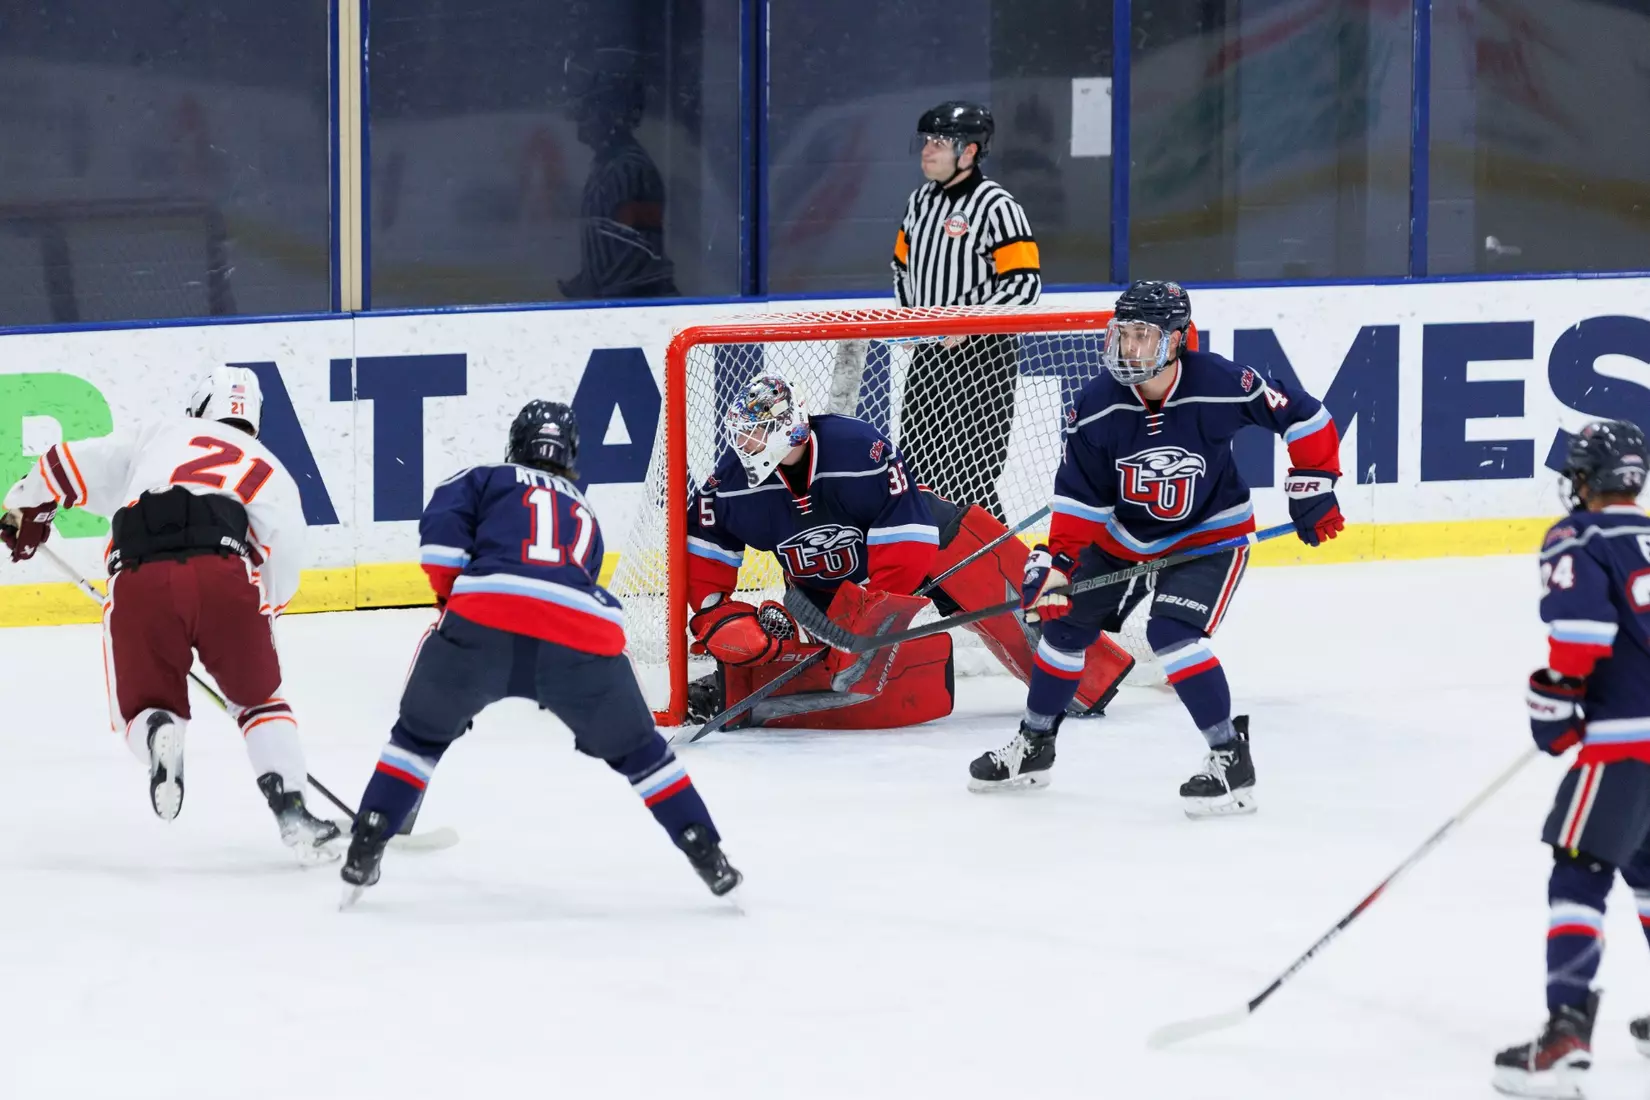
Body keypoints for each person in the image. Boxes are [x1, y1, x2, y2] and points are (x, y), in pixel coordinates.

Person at [967, 280, 1345, 814]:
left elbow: (1303, 414)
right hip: (1124, 536)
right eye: (1123, 335)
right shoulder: (1096, 406)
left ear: (1176, 339)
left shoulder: (1223, 382)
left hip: (1209, 535)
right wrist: (1057, 565)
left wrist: (1314, 481)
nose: (1129, 348)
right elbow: (1080, 499)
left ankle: (1229, 760)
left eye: (1143, 336)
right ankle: (1035, 745)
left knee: (1174, 634)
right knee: (1063, 626)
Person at [339, 400, 738, 906]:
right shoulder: (583, 508)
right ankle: (708, 853)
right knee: (643, 754)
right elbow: (575, 578)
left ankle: (367, 842)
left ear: (514, 446)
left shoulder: (482, 477)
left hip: (484, 619)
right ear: (571, 455)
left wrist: (457, 616)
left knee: (417, 738)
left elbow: (440, 555)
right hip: (579, 629)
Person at [0, 366, 340, 862]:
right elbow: (281, 569)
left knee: (140, 708)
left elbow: (63, 464)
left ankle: (161, 729)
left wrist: (22, 510)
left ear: (201, 404)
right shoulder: (271, 471)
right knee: (260, 701)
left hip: (139, 575)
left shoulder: (163, 433)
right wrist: (250, 623)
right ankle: (293, 810)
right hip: (224, 571)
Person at [683, 374, 1133, 731]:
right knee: (849, 685)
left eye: (755, 436)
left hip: (931, 545)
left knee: (1015, 604)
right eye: (741, 438)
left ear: (788, 428)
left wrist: (877, 608)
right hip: (825, 592)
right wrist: (718, 616)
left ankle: (1086, 673)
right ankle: (736, 694)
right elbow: (705, 551)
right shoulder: (731, 485)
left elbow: (907, 531)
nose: (744, 448)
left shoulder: (857, 448)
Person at [1492, 420, 1650, 1099]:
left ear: (1588, 479)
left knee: (1580, 871)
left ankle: (1564, 1036)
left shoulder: (1578, 536)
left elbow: (1582, 634)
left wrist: (1554, 705)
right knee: (1645, 871)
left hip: (1627, 743)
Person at [892, 101, 1040, 523]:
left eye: (939, 142)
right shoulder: (920, 201)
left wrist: (971, 323)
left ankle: (999, 576)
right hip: (929, 357)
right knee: (918, 469)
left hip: (983, 360)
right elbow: (901, 265)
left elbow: (1025, 283)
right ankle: (932, 573)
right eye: (926, 141)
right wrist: (912, 319)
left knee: (970, 477)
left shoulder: (997, 205)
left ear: (970, 151)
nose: (927, 150)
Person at [558, 55, 677, 301]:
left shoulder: (629, 170)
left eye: (586, 111)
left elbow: (638, 255)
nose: (579, 121)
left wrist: (602, 299)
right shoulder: (606, 167)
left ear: (611, 113)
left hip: (636, 310)